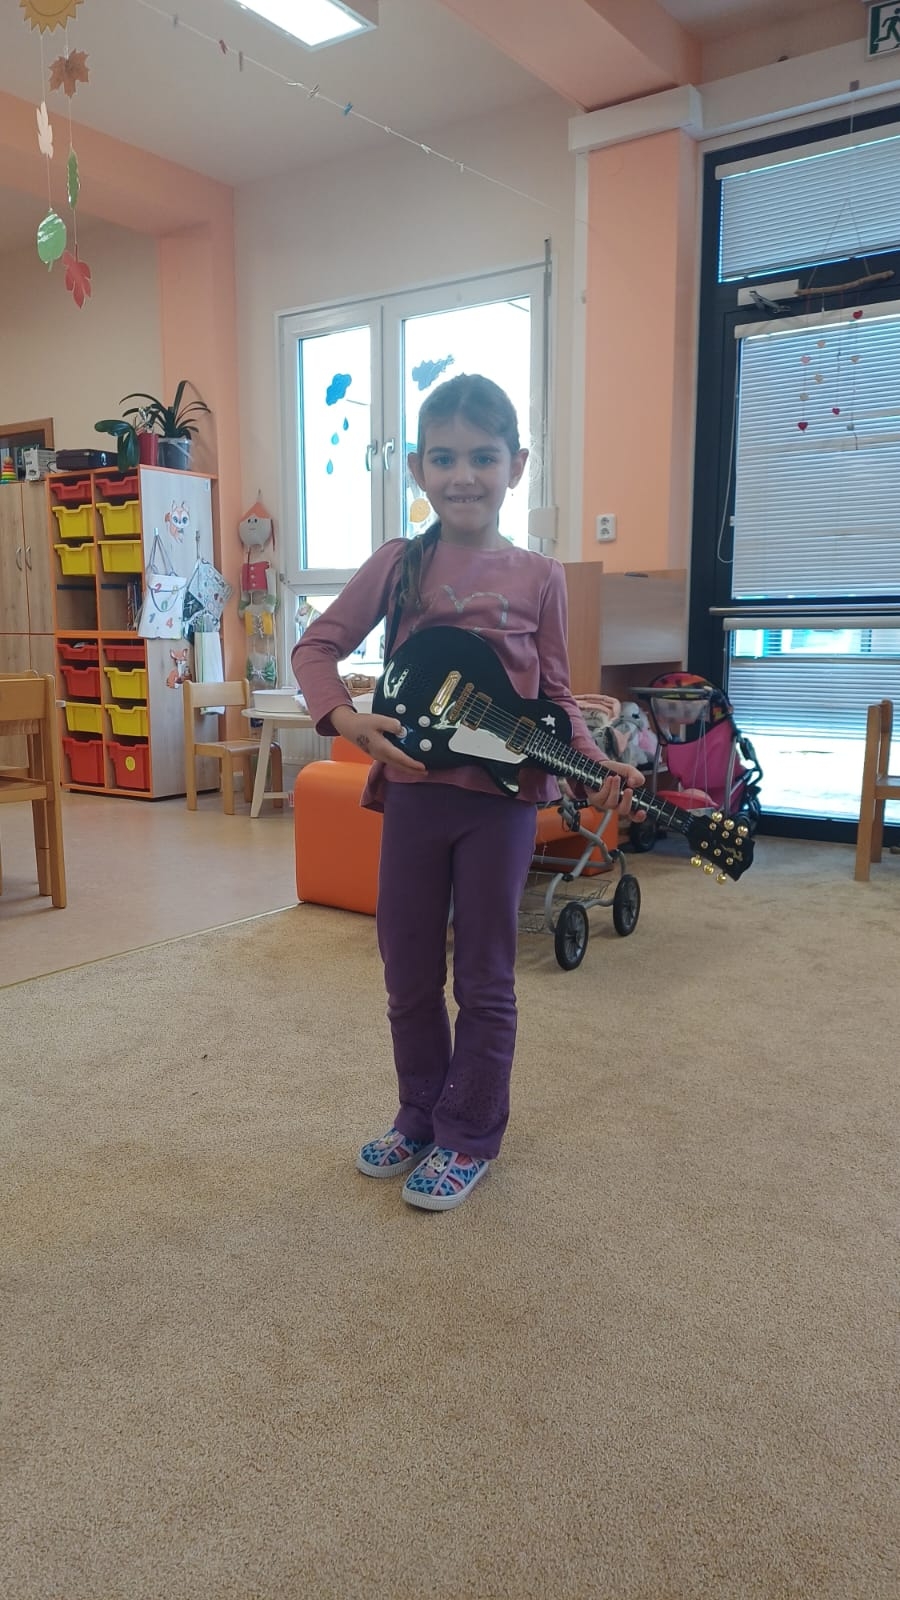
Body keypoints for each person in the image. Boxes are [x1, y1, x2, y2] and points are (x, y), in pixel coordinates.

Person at [293, 374, 643, 1212]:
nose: (463, 476)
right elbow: (316, 648)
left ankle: (470, 1134)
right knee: (407, 967)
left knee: (485, 976)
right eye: (444, 458)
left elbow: (555, 698)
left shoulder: (541, 576)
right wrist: (346, 721)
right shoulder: (399, 562)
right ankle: (420, 1113)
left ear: (516, 465)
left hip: (503, 805)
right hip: (413, 796)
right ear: (418, 468)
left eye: (483, 458)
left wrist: (596, 763)